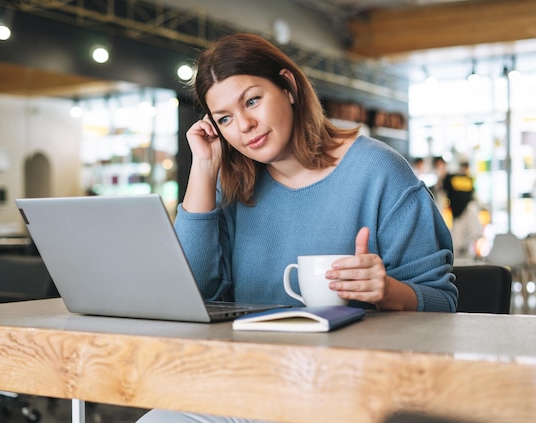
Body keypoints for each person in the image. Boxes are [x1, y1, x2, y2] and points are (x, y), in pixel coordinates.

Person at [136, 33, 456, 423]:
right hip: (246, 384)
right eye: (225, 119)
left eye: (252, 100)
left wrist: (387, 291)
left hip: (349, 390)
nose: (245, 125)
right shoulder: (233, 183)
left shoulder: (379, 172)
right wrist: (202, 170)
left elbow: (444, 305)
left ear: (288, 86)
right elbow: (194, 293)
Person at [443, 161, 483, 258]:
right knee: (458, 242)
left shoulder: (466, 179)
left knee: (461, 242)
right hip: (458, 215)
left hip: (462, 213)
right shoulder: (454, 178)